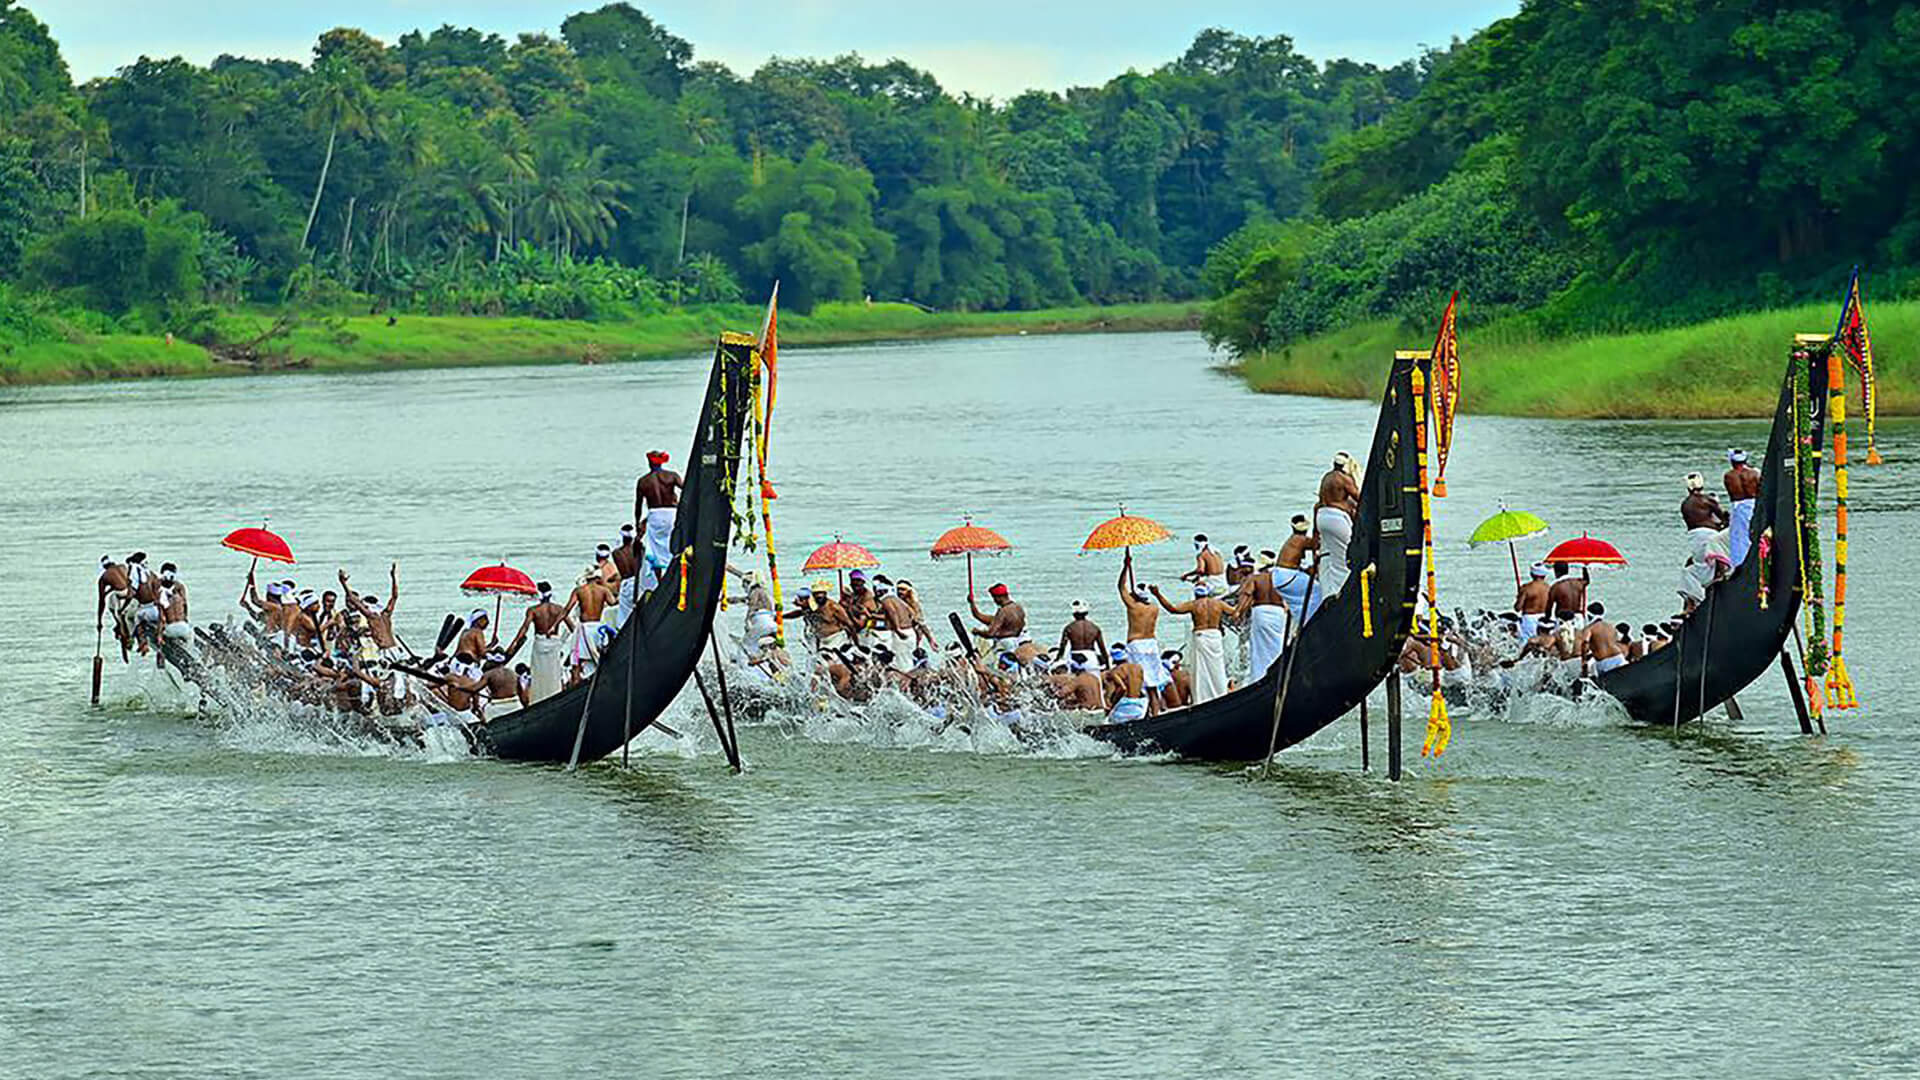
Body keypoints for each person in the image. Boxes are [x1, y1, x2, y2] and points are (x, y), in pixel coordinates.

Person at [1149, 582, 1232, 705]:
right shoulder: (1218, 604)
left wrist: (1157, 594)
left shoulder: (1193, 605)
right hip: (1215, 637)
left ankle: (1202, 699)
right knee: (1217, 666)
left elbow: (1173, 609)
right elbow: (1235, 612)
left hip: (1201, 637)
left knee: (1200, 669)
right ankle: (1220, 694)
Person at [1116, 554, 1170, 715]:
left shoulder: (1133, 606)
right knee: (1152, 684)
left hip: (1137, 645)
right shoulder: (1154, 608)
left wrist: (1125, 566)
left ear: (1136, 595)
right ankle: (1155, 713)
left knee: (1138, 682)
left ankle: (1145, 714)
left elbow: (1120, 587)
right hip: (1151, 645)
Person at [504, 581, 571, 702]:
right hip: (554, 644)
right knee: (554, 673)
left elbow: (524, 628)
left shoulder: (533, 610)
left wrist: (513, 643)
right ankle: (555, 696)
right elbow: (572, 627)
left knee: (539, 673)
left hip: (540, 644)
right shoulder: (559, 609)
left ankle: (539, 699)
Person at [1680, 473, 1731, 610]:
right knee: (1714, 554)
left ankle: (1691, 602)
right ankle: (1720, 574)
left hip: (1694, 537)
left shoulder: (1685, 504)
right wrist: (1723, 523)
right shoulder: (1707, 500)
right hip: (1709, 534)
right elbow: (1723, 516)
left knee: (1697, 563)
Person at [634, 450, 683, 593]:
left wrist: (637, 523)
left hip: (654, 514)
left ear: (649, 463)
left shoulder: (643, 481)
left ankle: (661, 582)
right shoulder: (672, 476)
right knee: (672, 545)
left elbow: (638, 505)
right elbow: (687, 490)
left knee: (655, 550)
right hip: (672, 513)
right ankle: (675, 576)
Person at [1236, 559, 1292, 682]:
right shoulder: (1280, 578)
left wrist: (1238, 612)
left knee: (1259, 648)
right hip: (1278, 613)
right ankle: (1278, 675)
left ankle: (1259, 678)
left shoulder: (1255, 579)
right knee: (1278, 645)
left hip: (1260, 612)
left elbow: (1246, 596)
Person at [1315, 451, 1361, 598]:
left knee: (1336, 558)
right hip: (1337, 518)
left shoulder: (1326, 477)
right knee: (1350, 554)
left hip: (1322, 517)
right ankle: (1347, 592)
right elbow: (1359, 497)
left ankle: (1333, 591)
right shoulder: (1343, 478)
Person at [561, 572, 615, 683]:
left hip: (584, 629)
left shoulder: (579, 590)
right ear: (597, 578)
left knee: (577, 662)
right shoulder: (603, 590)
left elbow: (566, 610)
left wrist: (556, 625)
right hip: (597, 628)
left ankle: (577, 685)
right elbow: (613, 603)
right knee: (598, 658)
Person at [1274, 515, 1320, 619]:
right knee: (1317, 590)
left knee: (1299, 600)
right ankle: (1311, 620)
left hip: (1279, 577)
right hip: (1288, 577)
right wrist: (1317, 530)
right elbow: (1318, 544)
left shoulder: (1292, 539)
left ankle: (1300, 618)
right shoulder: (1301, 539)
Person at [869, 575, 917, 674]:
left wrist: (897, 629)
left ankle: (906, 685)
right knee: (907, 661)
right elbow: (912, 614)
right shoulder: (898, 600)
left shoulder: (885, 600)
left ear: (881, 591)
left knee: (902, 664)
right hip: (910, 632)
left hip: (901, 633)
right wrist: (872, 615)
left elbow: (892, 613)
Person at [967, 582, 1028, 657]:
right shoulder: (1018, 607)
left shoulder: (1003, 611)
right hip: (1021, 638)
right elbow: (979, 616)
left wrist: (978, 632)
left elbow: (990, 634)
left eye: (994, 598)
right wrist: (972, 603)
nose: (994, 601)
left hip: (1007, 643)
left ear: (999, 597)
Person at [1724, 449, 1761, 566]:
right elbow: (1760, 489)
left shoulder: (1729, 476)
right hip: (1753, 504)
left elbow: (1731, 493)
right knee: (1755, 532)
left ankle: (1740, 563)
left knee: (1739, 538)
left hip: (1738, 506)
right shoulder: (1754, 473)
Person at [97, 555, 135, 661]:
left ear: (104, 567)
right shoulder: (123, 567)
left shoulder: (104, 577)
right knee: (112, 596)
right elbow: (126, 582)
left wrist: (99, 621)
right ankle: (121, 623)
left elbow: (101, 601)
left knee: (111, 600)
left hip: (123, 594)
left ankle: (120, 626)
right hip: (133, 592)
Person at [1577, 602, 1629, 674]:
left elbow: (1585, 643)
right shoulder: (1610, 627)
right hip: (1619, 657)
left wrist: (1584, 661)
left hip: (1604, 661)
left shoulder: (1589, 629)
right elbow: (1609, 643)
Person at [1055, 599, 1109, 668]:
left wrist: (1057, 659)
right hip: (1091, 657)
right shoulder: (1095, 628)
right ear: (1086, 613)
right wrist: (1107, 665)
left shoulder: (1069, 628)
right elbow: (1102, 649)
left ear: (1074, 614)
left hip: (1074, 657)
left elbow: (1062, 648)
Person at [1103, 643, 1148, 721]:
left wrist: (1113, 704)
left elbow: (1123, 688)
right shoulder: (1138, 667)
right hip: (1141, 704)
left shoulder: (1115, 671)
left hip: (1125, 705)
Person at [156, 563, 191, 652]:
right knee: (189, 637)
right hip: (184, 627)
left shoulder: (160, 592)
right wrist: (185, 619)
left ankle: (163, 652)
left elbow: (162, 618)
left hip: (171, 628)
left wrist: (159, 635)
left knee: (164, 634)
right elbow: (185, 604)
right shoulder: (179, 588)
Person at [611, 525, 641, 627]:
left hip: (627, 583)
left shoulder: (616, 553)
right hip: (639, 581)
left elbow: (621, 569)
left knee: (624, 616)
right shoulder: (639, 550)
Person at [1515, 563, 1550, 640]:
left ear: (1531, 574)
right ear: (1544, 575)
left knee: (1527, 642)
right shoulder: (1548, 588)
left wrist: (1519, 596)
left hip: (1529, 619)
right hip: (1544, 619)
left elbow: (1518, 608)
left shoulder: (1526, 588)